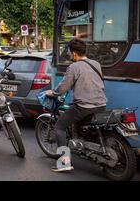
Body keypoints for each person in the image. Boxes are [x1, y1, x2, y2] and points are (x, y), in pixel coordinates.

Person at [45, 38, 107, 173]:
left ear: (74, 54)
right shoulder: (96, 63)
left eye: (68, 52)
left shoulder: (74, 67)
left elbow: (63, 87)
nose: (68, 55)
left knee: (59, 127)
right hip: (101, 104)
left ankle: (64, 162)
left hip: (84, 107)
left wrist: (53, 92)